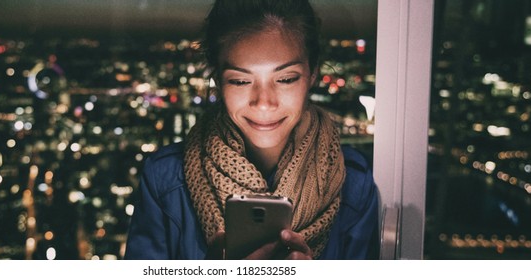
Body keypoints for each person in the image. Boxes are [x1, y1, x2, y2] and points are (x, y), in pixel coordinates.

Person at [125, 0, 379, 260]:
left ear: (312, 73)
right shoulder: (165, 181)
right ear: (218, 80)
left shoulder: (354, 186)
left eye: (286, 79)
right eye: (240, 80)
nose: (264, 102)